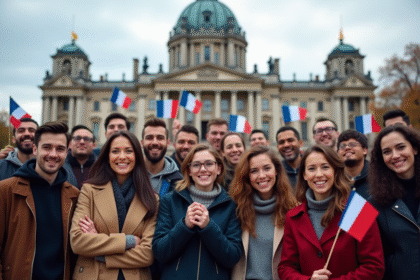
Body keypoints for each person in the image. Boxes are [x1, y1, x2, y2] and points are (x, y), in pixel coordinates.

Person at [278, 145, 384, 280]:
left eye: (325, 167)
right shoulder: (293, 217)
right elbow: (286, 268)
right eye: (311, 169)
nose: (319, 174)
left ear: (335, 170)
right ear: (304, 175)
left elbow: (373, 267)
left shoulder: (357, 210)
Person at [70, 130, 158, 279]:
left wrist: (100, 253)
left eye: (129, 151)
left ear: (136, 156)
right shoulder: (89, 191)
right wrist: (128, 241)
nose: (122, 157)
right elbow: (78, 241)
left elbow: (147, 254)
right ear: (107, 157)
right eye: (115, 151)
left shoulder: (151, 198)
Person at [0, 122, 79, 280]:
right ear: (35, 149)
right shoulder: (6, 191)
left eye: (60, 149)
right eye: (47, 147)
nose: (53, 154)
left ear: (67, 151)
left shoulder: (74, 196)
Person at [152, 144, 243, 280]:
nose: (203, 169)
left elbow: (232, 257)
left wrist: (208, 227)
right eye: (196, 165)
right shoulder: (170, 201)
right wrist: (184, 226)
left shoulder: (231, 206)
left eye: (209, 164)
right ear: (188, 170)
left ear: (218, 168)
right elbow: (160, 252)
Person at [230, 146, 297, 280]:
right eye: (254, 171)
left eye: (267, 168)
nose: (261, 176)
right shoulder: (236, 209)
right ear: (247, 176)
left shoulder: (293, 210)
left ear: (277, 170)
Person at [368, 124, 420, 279]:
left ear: (414, 149)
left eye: (401, 147)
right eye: (387, 152)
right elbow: (352, 246)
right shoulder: (372, 201)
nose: (395, 155)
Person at [141, 118, 182, 197]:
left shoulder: (179, 181)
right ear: (142, 143)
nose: (155, 142)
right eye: (149, 138)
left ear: (168, 143)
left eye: (160, 138)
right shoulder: (130, 175)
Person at [337, 130, 370, 199]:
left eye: (352, 144)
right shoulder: (335, 180)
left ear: (364, 150)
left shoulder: (379, 176)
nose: (347, 148)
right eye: (343, 146)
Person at [64, 125, 97, 189]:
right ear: (70, 144)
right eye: (77, 138)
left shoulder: (102, 167)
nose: (82, 142)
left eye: (86, 139)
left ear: (94, 145)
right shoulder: (60, 167)